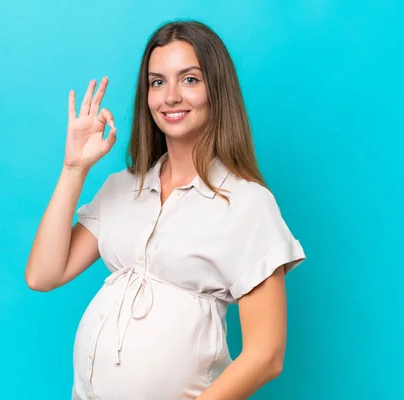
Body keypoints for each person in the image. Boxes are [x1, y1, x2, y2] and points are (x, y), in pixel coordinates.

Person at [25, 20, 306, 400]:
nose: (170, 96)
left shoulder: (247, 204)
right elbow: (43, 275)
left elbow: (265, 355)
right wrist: (74, 169)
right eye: (157, 82)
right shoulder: (123, 188)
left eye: (189, 79)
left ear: (217, 90)